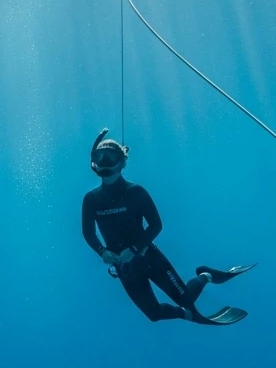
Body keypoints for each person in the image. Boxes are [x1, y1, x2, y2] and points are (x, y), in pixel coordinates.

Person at [80, 128, 253, 326]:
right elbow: (88, 232)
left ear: (121, 162)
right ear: (93, 162)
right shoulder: (91, 200)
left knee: (187, 299)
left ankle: (205, 275)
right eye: (99, 157)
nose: (104, 163)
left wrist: (135, 249)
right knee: (154, 314)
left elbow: (156, 225)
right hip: (125, 268)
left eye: (109, 157)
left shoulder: (135, 192)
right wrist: (102, 252)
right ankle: (188, 314)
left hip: (149, 258)